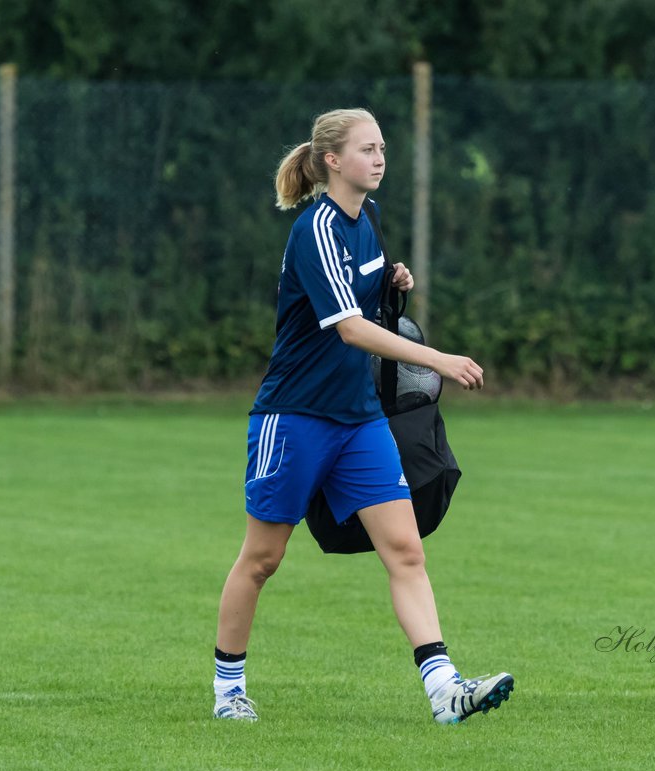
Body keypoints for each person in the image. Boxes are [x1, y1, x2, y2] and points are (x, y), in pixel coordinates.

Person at [210, 108, 514, 724]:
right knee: (263, 558)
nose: (379, 159)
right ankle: (228, 690)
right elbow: (349, 329)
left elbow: (363, 303)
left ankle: (445, 692)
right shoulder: (315, 227)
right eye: (367, 149)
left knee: (405, 550)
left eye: (382, 148)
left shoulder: (365, 219)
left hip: (359, 419)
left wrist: (391, 283)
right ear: (331, 161)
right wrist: (441, 359)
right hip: (294, 417)